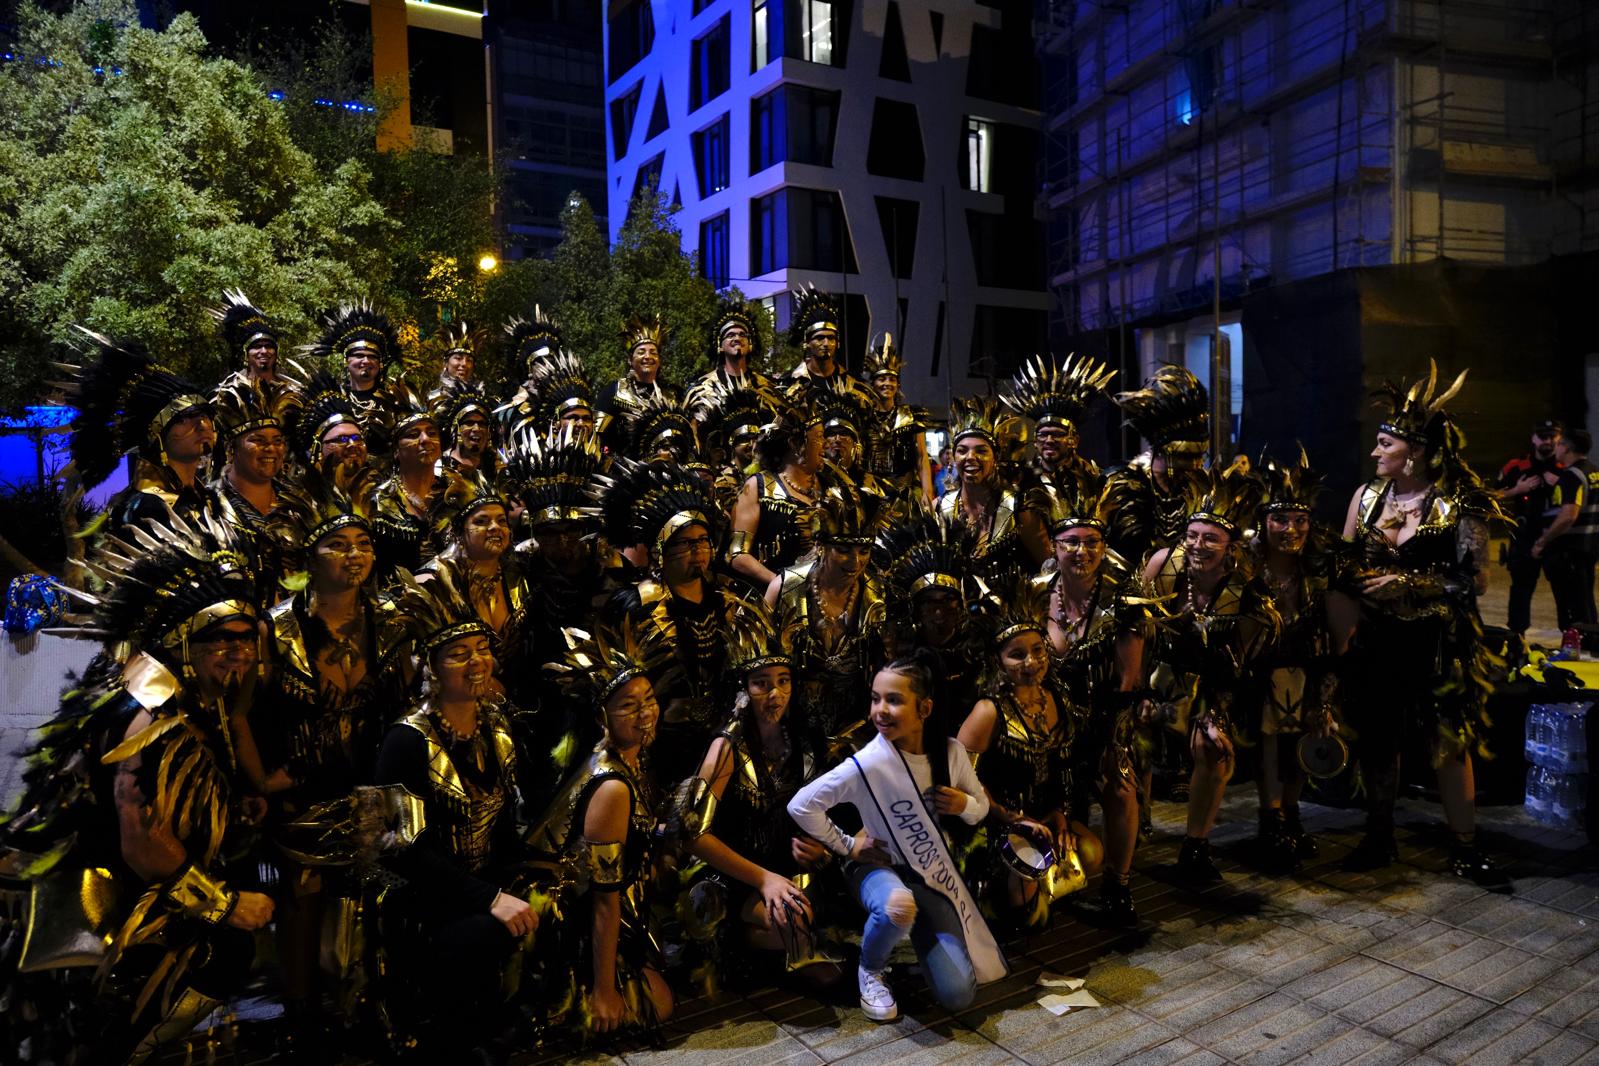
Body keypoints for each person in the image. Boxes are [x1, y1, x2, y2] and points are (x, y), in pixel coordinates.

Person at [2, 510, 271, 1064]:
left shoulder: (177, 684)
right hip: (105, 903)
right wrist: (223, 905)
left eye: (247, 638)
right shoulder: (152, 714)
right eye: (220, 638)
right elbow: (140, 838)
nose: (238, 651)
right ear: (182, 638)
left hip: (129, 886)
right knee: (221, 954)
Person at [1339, 362, 1509, 885]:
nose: (1375, 453)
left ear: (1414, 451)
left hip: (1439, 641)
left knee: (1447, 741)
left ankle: (1465, 843)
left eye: (1384, 444)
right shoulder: (1366, 497)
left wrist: (1409, 584)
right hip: (1377, 640)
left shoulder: (1460, 503)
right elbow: (1342, 562)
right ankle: (1379, 834)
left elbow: (1475, 582)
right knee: (1378, 736)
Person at [787, 652, 1008, 1021]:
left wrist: (963, 804)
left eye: (893, 700)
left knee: (958, 996)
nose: (880, 710)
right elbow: (801, 805)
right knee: (898, 906)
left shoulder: (951, 753)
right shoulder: (869, 762)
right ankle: (871, 969)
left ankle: (910, 943)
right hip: (878, 872)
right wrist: (849, 845)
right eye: (875, 698)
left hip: (929, 876)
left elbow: (982, 807)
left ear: (924, 707)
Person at [373, 572, 535, 1059]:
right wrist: (490, 899)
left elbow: (505, 824)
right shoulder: (406, 739)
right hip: (423, 902)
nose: (476, 663)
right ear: (432, 668)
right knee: (489, 930)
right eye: (459, 655)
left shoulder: (496, 725)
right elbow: (401, 850)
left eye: (481, 650)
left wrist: (523, 881)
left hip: (480, 885)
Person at [673, 602, 838, 980]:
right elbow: (692, 834)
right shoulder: (727, 747)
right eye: (762, 683)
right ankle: (734, 944)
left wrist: (822, 849)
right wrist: (763, 879)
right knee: (792, 923)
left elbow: (826, 810)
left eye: (784, 680)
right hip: (732, 876)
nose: (775, 693)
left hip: (788, 867)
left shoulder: (803, 739)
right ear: (743, 690)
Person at [529, 622, 677, 1037]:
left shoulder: (632, 757)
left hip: (625, 907)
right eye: (628, 706)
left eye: (649, 700)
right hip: (577, 921)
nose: (645, 713)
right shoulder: (612, 786)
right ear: (602, 716)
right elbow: (602, 899)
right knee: (657, 1005)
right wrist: (605, 988)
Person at [1143, 464, 1281, 885]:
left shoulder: (1246, 592)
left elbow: (1239, 666)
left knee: (1213, 750)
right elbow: (1135, 628)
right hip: (1155, 677)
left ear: (1230, 545)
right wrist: (1136, 694)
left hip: (1215, 688)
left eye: (1210, 538)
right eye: (1192, 535)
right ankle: (1136, 826)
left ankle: (1195, 846)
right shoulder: (1164, 565)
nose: (1198, 545)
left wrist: (1212, 716)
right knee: (1131, 738)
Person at [957, 581, 1106, 929]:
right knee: (1027, 918)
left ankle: (1038, 884)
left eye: (1038, 651)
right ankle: (1004, 890)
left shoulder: (1058, 697)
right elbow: (963, 780)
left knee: (1092, 853)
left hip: (1042, 814)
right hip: (996, 821)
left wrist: (1061, 814)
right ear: (999, 661)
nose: (1031, 662)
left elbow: (1065, 767)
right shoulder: (988, 711)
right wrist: (1007, 817)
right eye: (1017, 654)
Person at [1033, 481, 1148, 922]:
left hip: (1105, 713)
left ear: (1103, 546)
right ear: (1054, 547)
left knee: (1120, 789)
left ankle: (1118, 884)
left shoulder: (1123, 597)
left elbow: (1128, 678)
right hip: (1048, 715)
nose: (1081, 552)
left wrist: (1111, 741)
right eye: (1071, 543)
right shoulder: (1037, 591)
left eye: (1091, 542)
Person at [594, 458, 747, 779]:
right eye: (686, 543)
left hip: (717, 741)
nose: (699, 550)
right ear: (662, 549)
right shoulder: (634, 606)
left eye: (704, 541)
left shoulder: (726, 602)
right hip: (655, 747)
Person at [1247, 450, 1354, 871]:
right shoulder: (1247, 564)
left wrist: (1328, 683)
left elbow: (1340, 632)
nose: (1290, 529)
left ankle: (1291, 814)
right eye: (1280, 520)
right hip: (1261, 672)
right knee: (1270, 744)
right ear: (1264, 522)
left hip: (1311, 667)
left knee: (1306, 739)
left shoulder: (1321, 567)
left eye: (1299, 520)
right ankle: (1270, 818)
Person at [767, 486, 889, 760]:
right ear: (821, 546)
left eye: (864, 550)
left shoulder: (880, 593)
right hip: (793, 731)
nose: (856, 562)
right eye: (844, 550)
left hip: (862, 733)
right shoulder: (786, 589)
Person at [63, 330, 223, 533]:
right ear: (157, 437)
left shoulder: (208, 498)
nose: (202, 425)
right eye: (183, 419)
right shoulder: (145, 508)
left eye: (206, 416)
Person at [937, 396, 1051, 590]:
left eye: (981, 451)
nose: (970, 458)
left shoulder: (1019, 508)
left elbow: (1048, 571)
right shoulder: (940, 508)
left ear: (995, 458)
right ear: (952, 459)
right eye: (962, 450)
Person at [1104, 364, 1213, 566]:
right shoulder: (1124, 486)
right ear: (1162, 452)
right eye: (1187, 457)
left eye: (1200, 456)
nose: (1196, 464)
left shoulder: (1203, 487)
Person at [727, 401, 829, 591]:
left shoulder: (831, 487)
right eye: (820, 437)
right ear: (795, 444)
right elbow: (737, 555)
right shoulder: (757, 487)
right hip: (773, 601)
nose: (826, 444)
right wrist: (784, 585)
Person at [301, 302, 421, 459]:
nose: (366, 361)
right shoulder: (331, 399)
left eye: (372, 357)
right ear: (347, 360)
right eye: (359, 355)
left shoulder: (396, 400)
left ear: (380, 364)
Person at [1001, 352, 1117, 497]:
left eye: (1057, 434)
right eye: (1043, 435)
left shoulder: (1096, 482)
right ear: (1035, 442)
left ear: (1074, 441)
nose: (1049, 440)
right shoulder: (1019, 482)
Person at [1498, 419, 1564, 635]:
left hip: (1556, 538)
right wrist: (1518, 490)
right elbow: (1491, 496)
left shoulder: (1566, 468)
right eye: (1543, 436)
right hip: (1524, 537)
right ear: (1533, 439)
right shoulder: (1516, 467)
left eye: (1552, 436)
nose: (1548, 441)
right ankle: (1517, 636)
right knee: (1521, 590)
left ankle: (1571, 636)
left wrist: (1560, 485)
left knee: (1563, 590)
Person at [1534, 427, 1597, 630]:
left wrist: (1542, 542)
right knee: (1585, 600)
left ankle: (1576, 650)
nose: (1555, 447)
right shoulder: (1594, 471)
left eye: (1559, 443)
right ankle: (1589, 645)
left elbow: (1568, 515)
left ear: (1566, 448)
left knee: (1572, 607)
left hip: (1570, 550)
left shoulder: (1572, 476)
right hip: (1589, 547)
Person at [861, 333, 934, 503]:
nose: (887, 383)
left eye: (892, 379)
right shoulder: (863, 417)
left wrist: (927, 491)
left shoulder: (912, 416)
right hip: (872, 495)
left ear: (898, 384)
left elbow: (922, 456)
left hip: (905, 493)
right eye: (881, 379)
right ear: (872, 384)